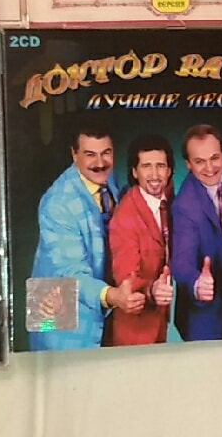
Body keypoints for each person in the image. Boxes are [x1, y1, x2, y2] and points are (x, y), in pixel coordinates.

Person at [29, 123, 144, 350]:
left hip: (99, 301)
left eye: (106, 153)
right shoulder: (56, 203)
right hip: (56, 304)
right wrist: (113, 296)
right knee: (60, 368)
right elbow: (71, 273)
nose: (100, 163)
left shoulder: (106, 177)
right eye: (90, 154)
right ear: (74, 155)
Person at [170, 125, 222, 341]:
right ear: (188, 164)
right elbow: (181, 262)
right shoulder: (184, 207)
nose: (210, 168)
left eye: (214, 158)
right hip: (202, 314)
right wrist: (196, 284)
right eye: (200, 161)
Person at [106, 134, 175, 346]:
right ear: (135, 172)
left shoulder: (169, 201)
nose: (154, 174)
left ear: (169, 171)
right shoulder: (125, 217)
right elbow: (126, 277)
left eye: (160, 166)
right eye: (146, 166)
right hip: (134, 331)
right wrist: (151, 290)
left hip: (160, 322)